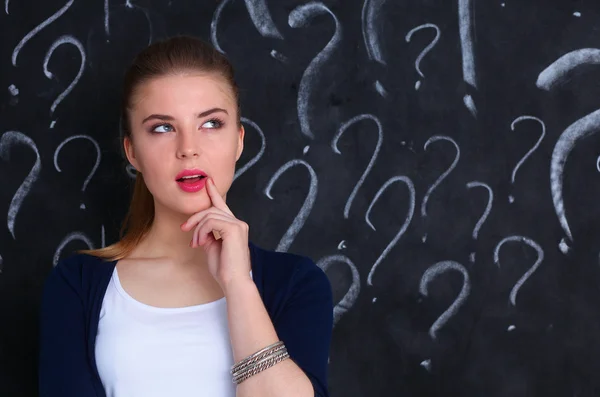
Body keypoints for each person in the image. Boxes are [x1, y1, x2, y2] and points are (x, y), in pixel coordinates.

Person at [38, 35, 333, 397]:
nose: (189, 148)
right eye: (162, 127)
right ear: (132, 152)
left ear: (239, 140)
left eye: (211, 124)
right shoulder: (76, 286)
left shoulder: (297, 284)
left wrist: (238, 284)